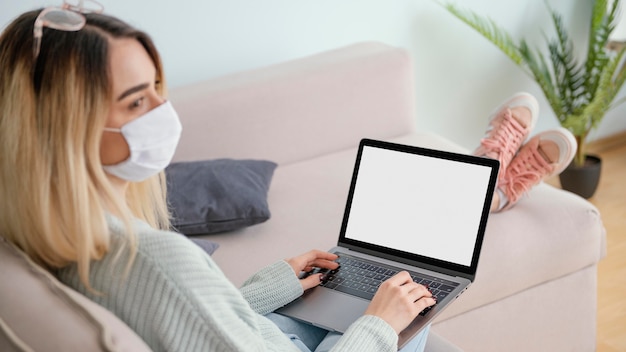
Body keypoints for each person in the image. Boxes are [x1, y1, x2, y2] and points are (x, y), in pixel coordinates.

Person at [0, 4, 575, 352]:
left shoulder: (36, 228)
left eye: (159, 89)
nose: (161, 111)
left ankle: (487, 177)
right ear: (65, 131)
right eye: (134, 101)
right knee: (420, 273)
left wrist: (275, 283)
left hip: (279, 332)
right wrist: (378, 325)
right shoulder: (148, 258)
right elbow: (185, 303)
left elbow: (204, 328)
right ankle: (490, 181)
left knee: (382, 265)